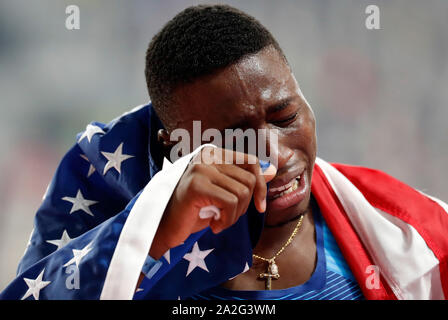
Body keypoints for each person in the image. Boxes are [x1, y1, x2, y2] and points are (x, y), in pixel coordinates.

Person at [1, 4, 447, 300]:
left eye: (285, 115)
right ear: (175, 146)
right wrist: (154, 237)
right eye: (234, 137)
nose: (273, 157)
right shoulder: (121, 239)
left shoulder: (416, 238)